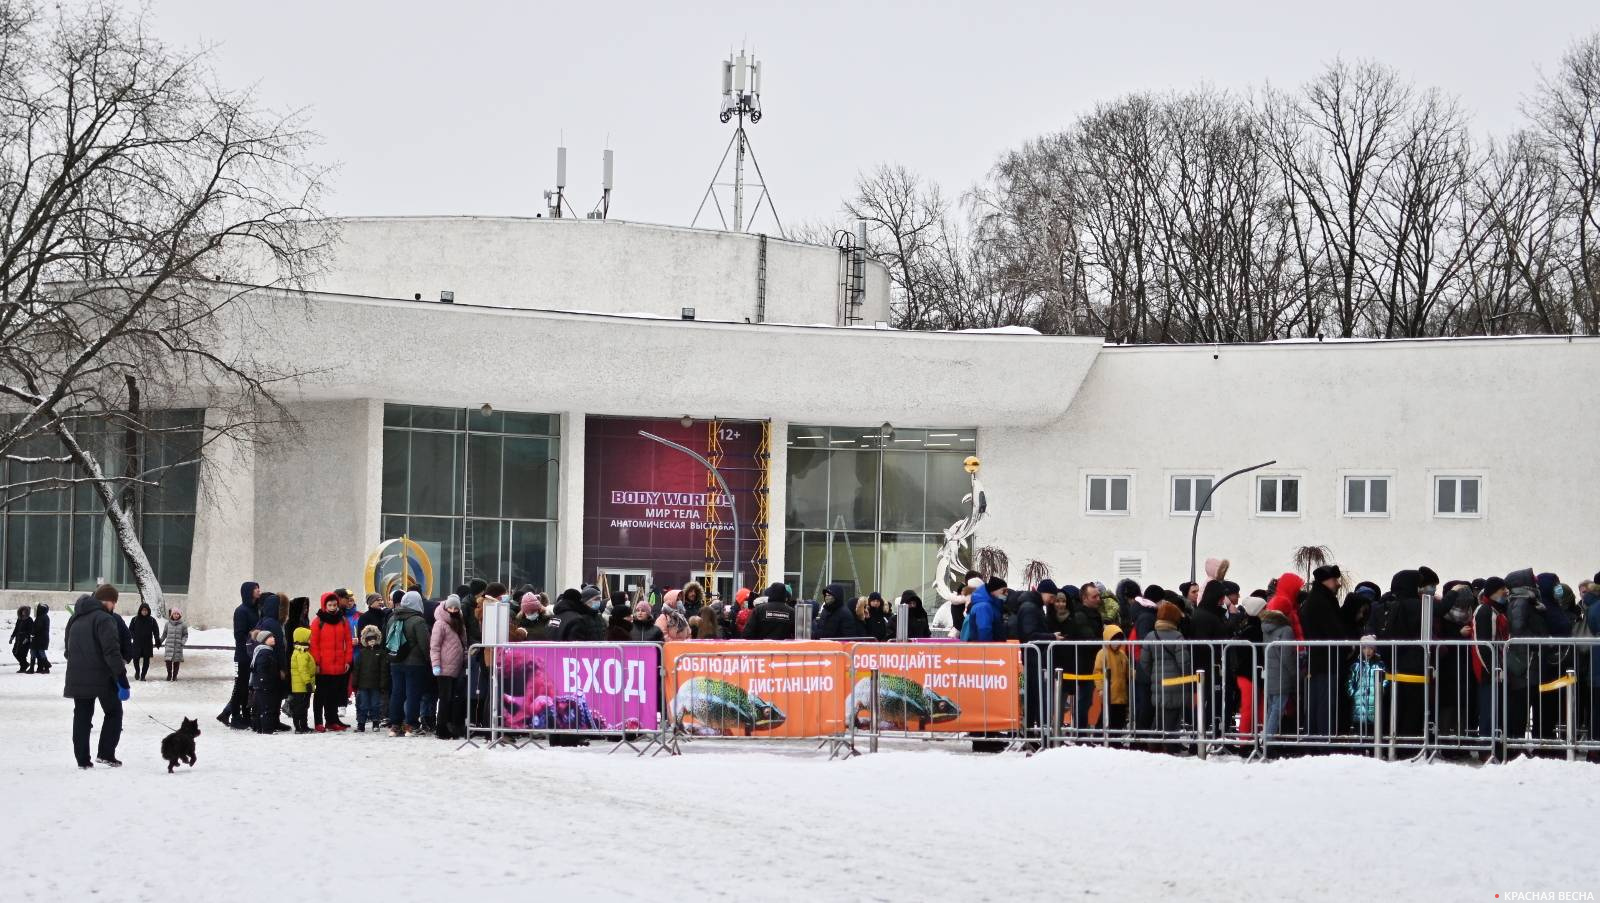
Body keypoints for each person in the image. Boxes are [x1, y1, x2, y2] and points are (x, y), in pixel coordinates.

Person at [63, 587, 129, 768]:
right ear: (106, 600)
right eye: (113, 601)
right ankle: (106, 754)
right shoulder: (104, 619)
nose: (114, 605)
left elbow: (67, 651)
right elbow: (111, 652)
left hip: (77, 677)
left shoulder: (74, 618)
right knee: (114, 712)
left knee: (82, 717)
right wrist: (122, 679)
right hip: (103, 678)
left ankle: (82, 760)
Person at [1301, 564, 1346, 740]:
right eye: (1334, 580)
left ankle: (1315, 737)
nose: (1338, 584)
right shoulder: (1322, 601)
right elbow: (1334, 629)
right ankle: (1323, 738)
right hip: (1326, 659)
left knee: (1317, 701)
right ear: (1326, 581)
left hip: (1320, 659)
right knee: (1324, 701)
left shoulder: (1317, 599)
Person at [1471, 577, 1510, 752]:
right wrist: (1494, 668)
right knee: (1488, 711)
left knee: (1496, 710)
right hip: (1489, 671)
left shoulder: (1496, 610)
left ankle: (1495, 746)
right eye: (1503, 589)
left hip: (1497, 669)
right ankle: (1487, 748)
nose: (1506, 592)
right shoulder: (1485, 611)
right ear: (1493, 591)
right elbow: (1483, 645)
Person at [1143, 601, 1192, 739]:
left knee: (1159, 717)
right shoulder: (1177, 637)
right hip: (1176, 683)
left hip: (1157, 684)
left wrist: (1154, 675)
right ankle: (1167, 746)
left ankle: (1154, 745)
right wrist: (1188, 679)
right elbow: (1184, 663)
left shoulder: (1150, 636)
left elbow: (1144, 663)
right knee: (1172, 718)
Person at [387, 591, 433, 737]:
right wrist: (429, 660)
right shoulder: (418, 620)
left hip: (395, 661)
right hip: (415, 663)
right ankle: (410, 725)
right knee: (413, 694)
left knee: (397, 693)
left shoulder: (392, 618)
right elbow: (425, 644)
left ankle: (395, 725)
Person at [219, 581, 262, 729]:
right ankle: (235, 716)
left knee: (248, 687)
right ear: (248, 592)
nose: (258, 591)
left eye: (258, 588)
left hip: (253, 655)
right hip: (243, 656)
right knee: (240, 687)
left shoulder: (256, 609)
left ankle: (245, 715)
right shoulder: (241, 611)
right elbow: (239, 634)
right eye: (255, 589)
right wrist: (252, 638)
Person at [310, 594, 353, 731]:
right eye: (330, 605)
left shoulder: (343, 620)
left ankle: (332, 720)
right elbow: (314, 644)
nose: (333, 608)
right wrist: (316, 663)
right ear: (324, 605)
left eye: (335, 605)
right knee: (320, 695)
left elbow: (348, 642)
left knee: (334, 694)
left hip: (339, 664)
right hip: (323, 665)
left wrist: (347, 660)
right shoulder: (318, 622)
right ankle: (318, 722)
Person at [430, 595, 468, 740]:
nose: (453, 610)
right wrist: (436, 665)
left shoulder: (459, 623)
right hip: (444, 667)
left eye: (456, 608)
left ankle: (451, 727)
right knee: (445, 698)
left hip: (457, 666)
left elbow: (463, 643)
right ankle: (441, 728)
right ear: (445, 608)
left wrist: (465, 657)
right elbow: (434, 646)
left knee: (453, 698)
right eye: (450, 608)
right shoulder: (440, 624)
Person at [1260, 602, 1297, 744]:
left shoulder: (1266, 629)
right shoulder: (1286, 630)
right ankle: (1267, 742)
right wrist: (1295, 674)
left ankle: (1264, 739)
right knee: (1277, 710)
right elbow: (1287, 656)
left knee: (1271, 709)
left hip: (1270, 674)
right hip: (1282, 675)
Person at [353, 624, 390, 732]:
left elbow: (384, 670)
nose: (372, 641)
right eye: (369, 639)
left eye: (374, 638)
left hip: (376, 685)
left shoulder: (381, 653)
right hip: (363, 684)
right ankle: (361, 724)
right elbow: (357, 669)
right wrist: (355, 683)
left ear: (377, 639)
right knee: (362, 705)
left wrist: (383, 684)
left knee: (376, 705)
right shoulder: (361, 653)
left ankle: (375, 723)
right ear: (365, 640)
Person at [1094, 625, 1131, 733]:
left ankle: (1116, 740)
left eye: (1119, 639)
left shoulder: (1122, 655)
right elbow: (1097, 672)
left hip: (1121, 695)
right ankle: (1100, 738)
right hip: (1108, 694)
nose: (1116, 642)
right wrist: (1100, 688)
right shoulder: (1102, 654)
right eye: (1113, 639)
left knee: (1119, 720)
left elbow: (1128, 671)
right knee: (1105, 718)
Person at [1347, 636, 1384, 739]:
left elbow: (1385, 680)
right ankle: (1360, 751)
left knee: (1374, 730)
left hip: (1374, 702)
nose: (1367, 651)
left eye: (1371, 648)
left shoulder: (1379, 665)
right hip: (1358, 703)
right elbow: (1350, 681)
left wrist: (1382, 690)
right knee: (1359, 729)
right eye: (1364, 648)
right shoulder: (1356, 666)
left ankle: (1373, 750)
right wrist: (1353, 693)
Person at [249, 630, 279, 735]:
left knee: (260, 706)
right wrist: (264, 681)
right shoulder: (264, 652)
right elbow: (261, 669)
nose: (273, 639)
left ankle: (259, 727)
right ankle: (267, 729)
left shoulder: (266, 651)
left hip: (262, 684)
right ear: (264, 640)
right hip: (264, 685)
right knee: (266, 707)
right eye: (270, 637)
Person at [288, 626, 316, 733]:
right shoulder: (301, 653)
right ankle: (299, 727)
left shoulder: (302, 651)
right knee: (300, 707)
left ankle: (303, 725)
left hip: (301, 686)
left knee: (304, 706)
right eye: (308, 638)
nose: (310, 640)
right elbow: (302, 670)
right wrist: (308, 682)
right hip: (302, 686)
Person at [129, 603, 160, 681]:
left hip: (147, 644)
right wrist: (133, 636)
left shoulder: (152, 620)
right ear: (140, 610)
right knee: (135, 659)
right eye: (143, 610)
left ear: (148, 611)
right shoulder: (134, 619)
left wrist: (157, 640)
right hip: (137, 643)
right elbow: (130, 630)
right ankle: (137, 671)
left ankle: (143, 676)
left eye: (146, 610)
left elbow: (156, 631)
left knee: (146, 660)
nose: (144, 612)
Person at [159, 607, 190, 681]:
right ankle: (169, 674)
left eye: (177, 614)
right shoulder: (167, 624)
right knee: (168, 661)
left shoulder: (183, 625)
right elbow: (164, 634)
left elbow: (185, 635)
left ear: (179, 615)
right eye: (174, 614)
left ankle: (175, 676)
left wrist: (182, 642)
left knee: (176, 662)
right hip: (169, 646)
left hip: (178, 646)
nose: (176, 615)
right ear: (171, 615)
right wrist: (159, 642)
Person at [29, 602, 51, 673]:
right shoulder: (42, 616)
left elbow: (38, 627)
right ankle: (40, 668)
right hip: (40, 638)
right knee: (37, 652)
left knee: (39, 652)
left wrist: (32, 632)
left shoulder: (42, 617)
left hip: (40, 638)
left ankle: (47, 666)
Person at [10, 605, 32, 672]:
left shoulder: (29, 620)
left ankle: (23, 667)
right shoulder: (19, 619)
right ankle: (25, 664)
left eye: (25, 611)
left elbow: (30, 630)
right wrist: (12, 637)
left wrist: (27, 638)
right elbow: (16, 629)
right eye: (22, 611)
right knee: (15, 652)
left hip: (25, 640)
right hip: (18, 639)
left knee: (22, 654)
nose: (23, 612)